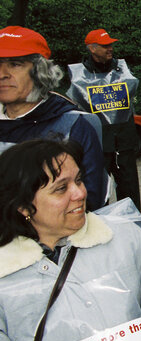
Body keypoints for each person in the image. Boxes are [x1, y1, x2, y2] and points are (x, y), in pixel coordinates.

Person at [0, 139, 141, 341]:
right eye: (61, 189)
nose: (79, 193)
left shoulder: (125, 239)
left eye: (79, 180)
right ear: (24, 206)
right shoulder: (6, 276)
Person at [0, 26, 106, 210]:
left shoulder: (74, 125)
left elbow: (89, 201)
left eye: (15, 64)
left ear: (41, 72)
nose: (2, 74)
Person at [67, 28, 141, 210]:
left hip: (124, 141)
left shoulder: (122, 69)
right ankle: (98, 228)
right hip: (97, 143)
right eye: (105, 45)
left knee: (129, 187)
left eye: (111, 45)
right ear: (92, 49)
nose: (110, 49)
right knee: (98, 190)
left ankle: (134, 226)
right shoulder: (78, 75)